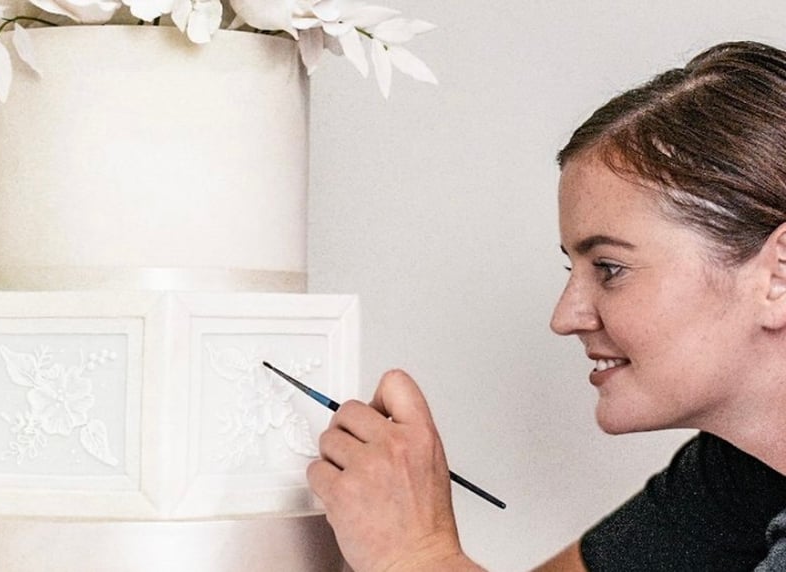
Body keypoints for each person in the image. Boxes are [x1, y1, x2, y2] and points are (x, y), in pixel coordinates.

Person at [306, 40, 786, 571]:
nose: (565, 317)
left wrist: (414, 554)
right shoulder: (742, 473)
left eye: (609, 268)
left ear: (778, 275)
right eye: (571, 270)